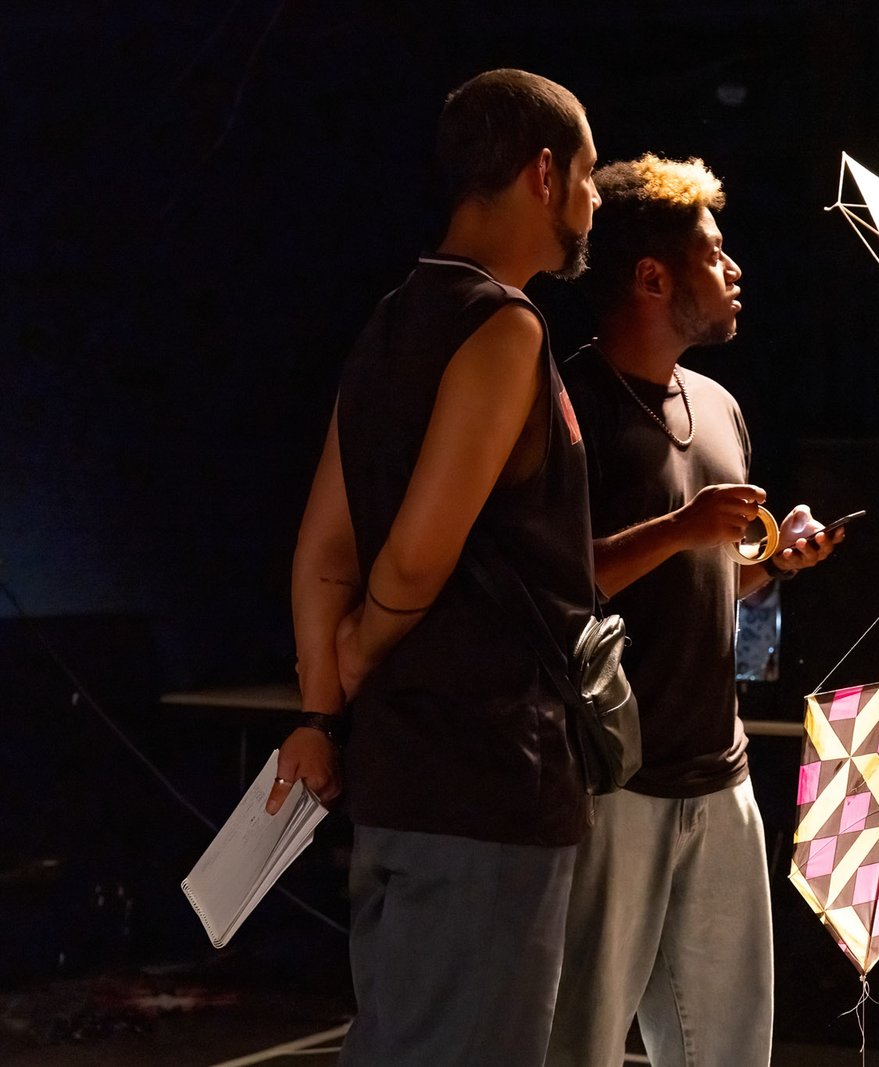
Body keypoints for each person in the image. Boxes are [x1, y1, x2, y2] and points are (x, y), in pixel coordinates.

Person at [270, 69, 601, 1066]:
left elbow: (322, 547)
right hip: (489, 777)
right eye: (587, 174)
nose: (592, 202)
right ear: (543, 173)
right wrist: (364, 645)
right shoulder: (504, 326)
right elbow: (413, 552)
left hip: (398, 779)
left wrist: (322, 713)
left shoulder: (384, 326)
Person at [546, 153, 839, 1067]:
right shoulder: (568, 403)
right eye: (715, 255)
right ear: (650, 276)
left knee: (726, 1049)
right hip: (616, 788)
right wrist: (680, 528)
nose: (735, 271)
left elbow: (705, 581)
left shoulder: (717, 405)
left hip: (723, 778)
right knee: (580, 1043)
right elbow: (556, 581)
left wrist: (771, 568)